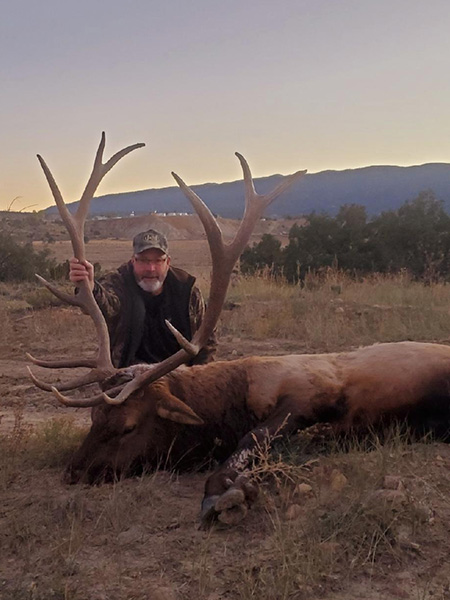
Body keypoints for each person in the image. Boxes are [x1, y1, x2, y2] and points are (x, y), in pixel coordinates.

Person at [69, 229, 216, 368]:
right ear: (133, 261)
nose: (151, 269)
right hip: (128, 377)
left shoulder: (186, 290)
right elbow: (105, 303)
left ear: (168, 262)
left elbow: (206, 342)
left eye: (158, 261)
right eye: (143, 260)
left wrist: (199, 379)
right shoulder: (119, 282)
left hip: (179, 378)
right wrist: (89, 287)